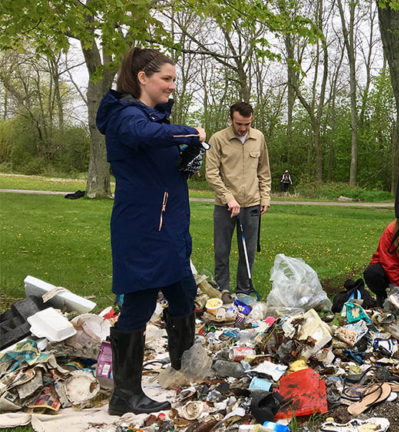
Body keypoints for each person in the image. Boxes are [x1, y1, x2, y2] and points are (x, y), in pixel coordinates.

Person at [95, 47, 205, 415]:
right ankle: (125, 394)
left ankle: (181, 369)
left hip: (169, 225)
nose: (172, 87)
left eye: (174, 79)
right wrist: (190, 133)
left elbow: (165, 163)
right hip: (142, 227)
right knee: (139, 303)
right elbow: (141, 136)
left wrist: (188, 160)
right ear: (143, 77)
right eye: (166, 79)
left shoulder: (156, 120)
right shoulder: (125, 115)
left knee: (183, 291)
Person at [206, 102, 271, 296]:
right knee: (221, 251)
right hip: (225, 206)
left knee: (248, 252)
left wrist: (265, 196)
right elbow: (211, 173)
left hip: (251, 205)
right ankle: (222, 289)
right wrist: (228, 198)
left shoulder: (258, 137)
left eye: (247, 124)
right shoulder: (218, 139)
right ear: (230, 119)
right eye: (239, 124)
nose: (243, 128)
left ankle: (243, 291)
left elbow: (264, 170)